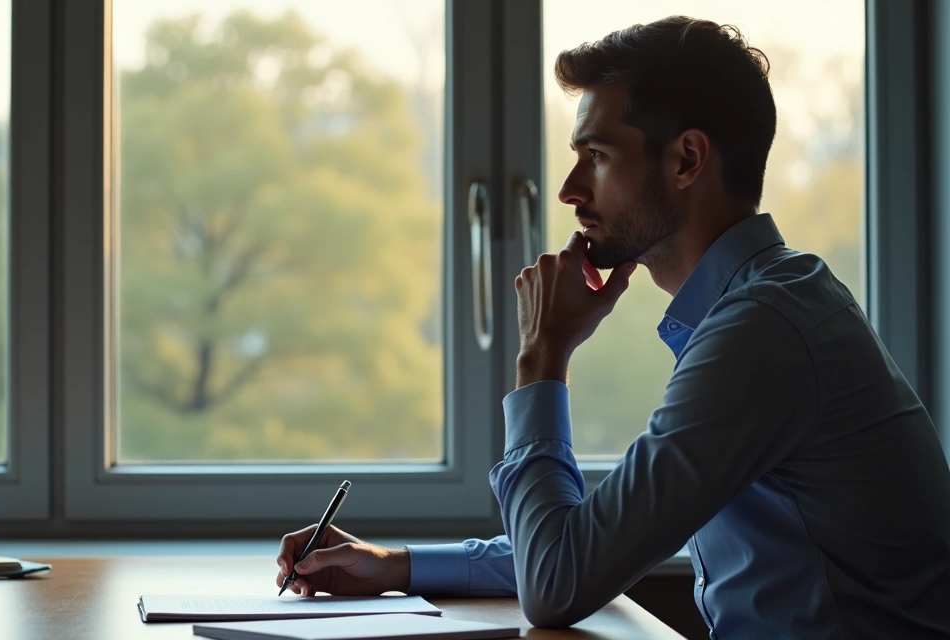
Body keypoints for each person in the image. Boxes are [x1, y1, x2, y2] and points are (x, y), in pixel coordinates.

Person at [274, 15, 950, 638]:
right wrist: (394, 566)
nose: (569, 189)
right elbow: (593, 543)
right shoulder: (760, 310)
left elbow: (559, 580)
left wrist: (543, 359)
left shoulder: (763, 334)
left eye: (595, 155)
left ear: (686, 160)